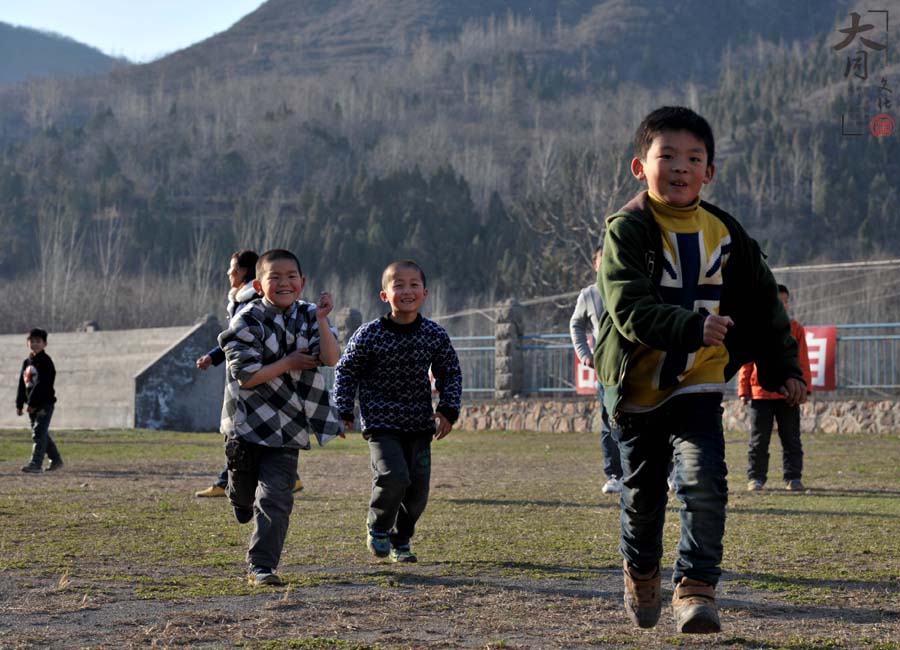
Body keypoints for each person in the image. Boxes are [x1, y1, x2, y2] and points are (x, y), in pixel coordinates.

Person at [594, 106, 806, 634]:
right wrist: (693, 327)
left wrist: (784, 367)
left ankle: (695, 588)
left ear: (709, 171)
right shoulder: (627, 230)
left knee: (703, 482)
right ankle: (641, 572)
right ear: (640, 167)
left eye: (694, 158)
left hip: (700, 383)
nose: (681, 167)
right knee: (643, 498)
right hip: (638, 391)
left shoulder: (726, 232)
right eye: (667, 156)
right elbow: (627, 307)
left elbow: (765, 305)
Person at [218, 248, 342, 586]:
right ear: (259, 285)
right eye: (275, 277)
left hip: (289, 424)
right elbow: (247, 376)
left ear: (302, 281)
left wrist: (322, 319)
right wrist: (288, 363)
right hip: (247, 423)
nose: (285, 283)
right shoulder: (247, 319)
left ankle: (261, 566)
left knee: (276, 497)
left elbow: (331, 358)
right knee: (244, 494)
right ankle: (237, 497)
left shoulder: (310, 315)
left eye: (291, 277)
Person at [333, 260, 462, 564]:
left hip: (419, 424)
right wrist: (343, 408)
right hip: (381, 424)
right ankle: (378, 526)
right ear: (384, 295)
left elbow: (450, 372)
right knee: (393, 475)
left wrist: (447, 410)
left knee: (417, 492)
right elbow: (346, 370)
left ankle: (400, 540)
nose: (407, 291)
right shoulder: (370, 334)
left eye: (413, 285)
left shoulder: (434, 334)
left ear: (425, 293)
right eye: (398, 285)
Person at [194, 251, 306, 498]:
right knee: (246, 433)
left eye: (232, 269)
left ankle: (229, 482)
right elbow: (235, 339)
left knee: (242, 432)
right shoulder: (239, 300)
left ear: (245, 272)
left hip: (261, 377)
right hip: (247, 375)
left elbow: (242, 337)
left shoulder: (256, 302)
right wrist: (214, 357)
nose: (228, 273)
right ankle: (236, 482)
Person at [739, 284, 812, 492]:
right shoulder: (756, 327)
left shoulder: (796, 329)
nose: (782, 305)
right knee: (758, 439)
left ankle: (793, 477)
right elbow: (747, 361)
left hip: (789, 394)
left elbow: (803, 360)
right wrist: (744, 389)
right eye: (778, 301)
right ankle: (756, 478)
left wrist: (804, 388)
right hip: (760, 394)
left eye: (785, 301)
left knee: (791, 438)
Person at [569, 243, 623, 495]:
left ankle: (665, 471)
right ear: (595, 264)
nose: (608, 261)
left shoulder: (629, 287)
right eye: (603, 257)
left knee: (649, 420)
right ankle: (614, 474)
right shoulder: (589, 295)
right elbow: (576, 325)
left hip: (636, 367)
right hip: (606, 372)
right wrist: (585, 356)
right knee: (610, 422)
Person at [16, 328, 63, 473]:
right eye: (32, 341)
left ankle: (35, 464)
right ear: (27, 343)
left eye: (38, 341)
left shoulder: (46, 362)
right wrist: (19, 404)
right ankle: (56, 460)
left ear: (44, 344)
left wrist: (32, 403)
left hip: (44, 404)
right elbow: (22, 384)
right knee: (41, 433)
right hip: (32, 405)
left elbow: (42, 385)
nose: (35, 344)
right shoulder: (27, 362)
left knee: (38, 432)